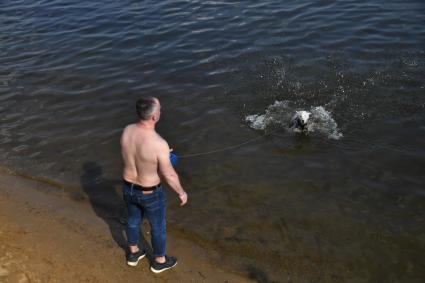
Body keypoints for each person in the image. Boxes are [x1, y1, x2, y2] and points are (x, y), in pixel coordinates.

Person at [120, 97, 188, 273]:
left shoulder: (127, 131)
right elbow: (169, 174)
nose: (160, 112)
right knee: (158, 227)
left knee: (133, 221)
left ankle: (133, 253)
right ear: (154, 117)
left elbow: (136, 155)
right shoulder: (159, 143)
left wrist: (161, 155)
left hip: (128, 187)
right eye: (159, 110)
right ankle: (159, 261)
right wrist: (181, 192)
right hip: (150, 193)